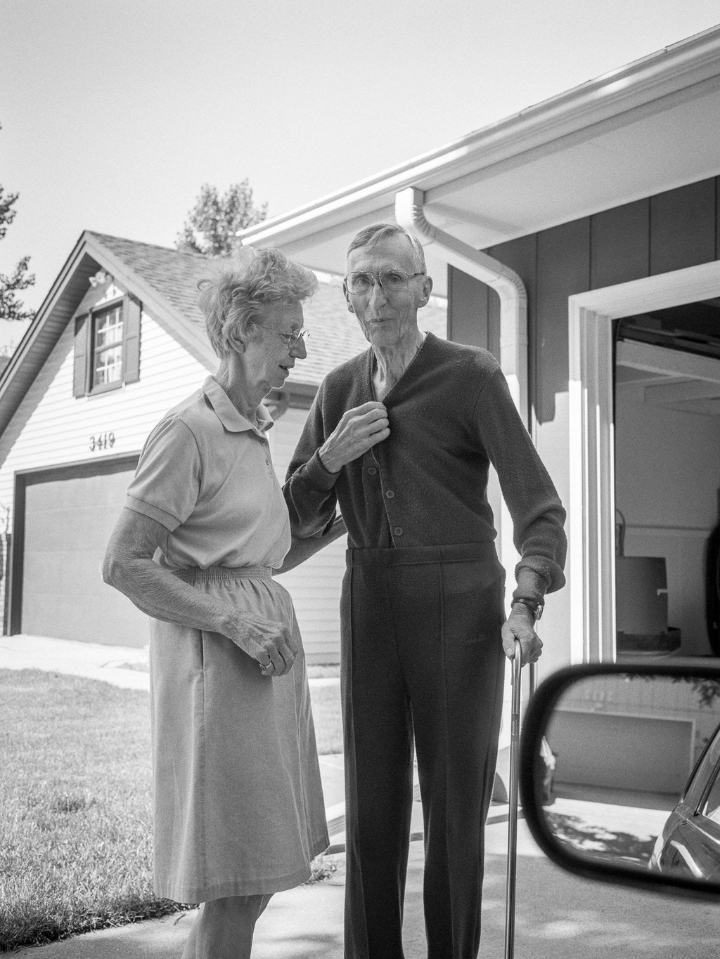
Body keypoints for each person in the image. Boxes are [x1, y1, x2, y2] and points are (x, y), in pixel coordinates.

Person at [283, 223, 567, 959]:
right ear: (348, 298)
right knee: (371, 814)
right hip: (369, 599)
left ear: (423, 290)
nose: (376, 296)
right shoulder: (338, 390)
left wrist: (525, 601)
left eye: (392, 278)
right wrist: (329, 457)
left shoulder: (470, 375)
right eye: (361, 282)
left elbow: (539, 508)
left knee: (454, 814)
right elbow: (293, 518)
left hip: (461, 606)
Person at [103, 248, 329, 959]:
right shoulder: (189, 431)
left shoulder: (252, 429)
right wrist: (233, 622)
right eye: (289, 332)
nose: (302, 349)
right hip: (219, 665)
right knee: (235, 881)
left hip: (262, 664)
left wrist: (346, 513)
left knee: (253, 882)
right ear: (240, 330)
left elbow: (264, 559)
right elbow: (123, 563)